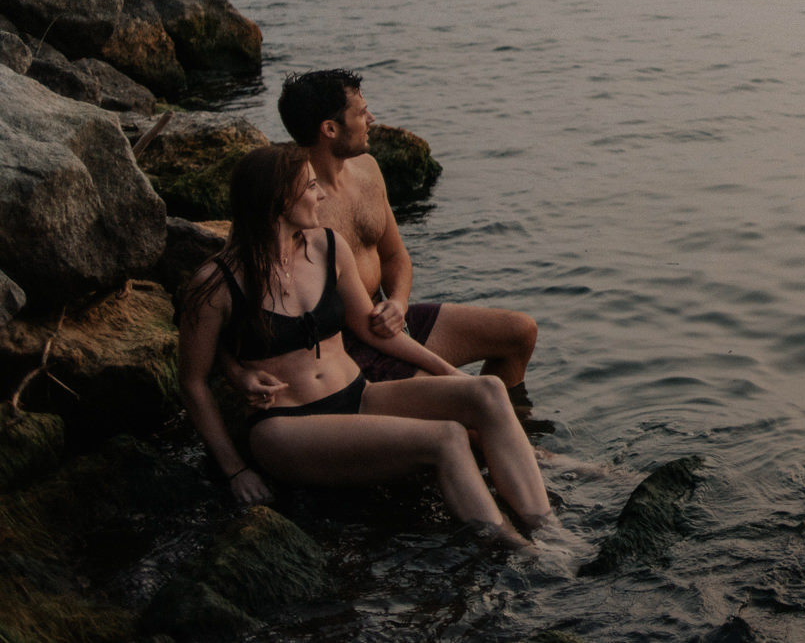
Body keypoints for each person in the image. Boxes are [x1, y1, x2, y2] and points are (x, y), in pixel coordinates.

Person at [178, 145, 552, 545]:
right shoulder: (216, 284)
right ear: (278, 200)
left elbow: (374, 330)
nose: (321, 194)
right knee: (446, 438)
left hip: (359, 395)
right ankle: (515, 548)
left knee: (488, 391)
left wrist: (449, 374)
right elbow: (193, 382)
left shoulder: (327, 246)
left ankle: (550, 529)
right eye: (309, 186)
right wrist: (236, 470)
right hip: (286, 427)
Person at [267, 69, 539, 409]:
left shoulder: (367, 168)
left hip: (388, 319)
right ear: (330, 129)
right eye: (361, 112)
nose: (372, 118)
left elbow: (395, 256)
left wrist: (398, 302)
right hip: (349, 346)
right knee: (461, 408)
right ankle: (521, 452)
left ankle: (519, 433)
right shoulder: (297, 203)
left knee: (519, 332)